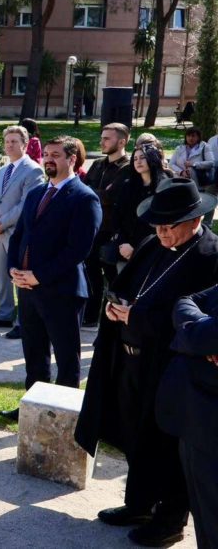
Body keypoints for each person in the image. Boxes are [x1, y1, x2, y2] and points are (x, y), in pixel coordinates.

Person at [75, 178, 218, 547]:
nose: (161, 232)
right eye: (156, 225)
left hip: (171, 368)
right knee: (137, 438)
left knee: (170, 446)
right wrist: (115, 304)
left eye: (169, 226)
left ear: (195, 220)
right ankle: (138, 505)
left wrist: (136, 318)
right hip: (132, 361)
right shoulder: (154, 242)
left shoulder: (210, 255)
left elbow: (194, 321)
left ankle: (169, 522)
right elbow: (127, 283)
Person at [0, 137, 102, 421]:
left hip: (62, 291)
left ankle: (63, 416)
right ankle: (32, 409)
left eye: (55, 155)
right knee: (34, 354)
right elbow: (20, 236)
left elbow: (78, 250)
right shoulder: (36, 194)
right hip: (28, 290)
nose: (48, 160)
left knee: (66, 358)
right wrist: (14, 269)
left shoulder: (84, 198)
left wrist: (38, 275)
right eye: (46, 154)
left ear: (72, 159)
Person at [157, 285, 218, 549]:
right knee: (204, 511)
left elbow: (196, 339)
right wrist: (202, 324)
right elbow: (187, 300)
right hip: (198, 416)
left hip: (210, 420)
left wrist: (197, 336)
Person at [0, 126, 45, 335]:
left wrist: (2, 223)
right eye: (7, 141)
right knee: (1, 276)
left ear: (25, 144)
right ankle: (4, 314)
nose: (9, 145)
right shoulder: (2, 170)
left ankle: (22, 321)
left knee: (19, 278)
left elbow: (26, 204)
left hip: (16, 233)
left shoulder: (34, 170)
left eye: (14, 141)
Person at [83, 123, 131, 329]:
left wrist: (99, 193)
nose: (101, 142)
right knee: (91, 275)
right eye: (102, 137)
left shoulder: (128, 167)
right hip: (93, 229)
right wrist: (100, 192)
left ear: (122, 141)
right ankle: (91, 316)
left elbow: (112, 196)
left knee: (113, 279)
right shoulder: (98, 165)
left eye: (107, 138)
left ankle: (112, 320)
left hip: (113, 232)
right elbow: (85, 192)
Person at [111, 144, 173, 264]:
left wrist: (138, 248)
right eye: (135, 159)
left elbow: (164, 223)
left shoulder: (165, 186)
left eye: (142, 158)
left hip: (154, 250)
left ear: (152, 159)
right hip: (125, 249)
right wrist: (122, 242)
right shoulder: (128, 186)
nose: (138, 161)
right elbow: (118, 216)